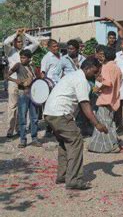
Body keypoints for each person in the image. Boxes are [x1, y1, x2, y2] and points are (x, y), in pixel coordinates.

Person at [44, 58, 108, 190]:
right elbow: (84, 104)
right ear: (88, 68)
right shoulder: (81, 80)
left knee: (65, 142)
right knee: (76, 140)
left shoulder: (72, 75)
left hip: (50, 112)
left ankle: (63, 175)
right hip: (60, 113)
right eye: (95, 72)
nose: (96, 75)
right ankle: (73, 180)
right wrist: (97, 124)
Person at [3, 28, 39, 139]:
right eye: (18, 41)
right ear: (14, 42)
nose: (20, 43)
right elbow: (5, 42)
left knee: (22, 107)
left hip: (26, 83)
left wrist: (25, 34)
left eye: (21, 41)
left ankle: (19, 129)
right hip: (14, 81)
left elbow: (36, 42)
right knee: (12, 106)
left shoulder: (26, 50)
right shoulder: (9, 50)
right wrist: (16, 34)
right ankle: (10, 129)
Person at [88, 47, 122, 153]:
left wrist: (98, 88)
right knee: (110, 123)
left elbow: (107, 83)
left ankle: (112, 145)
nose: (101, 56)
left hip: (105, 99)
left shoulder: (106, 66)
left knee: (104, 124)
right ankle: (111, 144)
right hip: (113, 99)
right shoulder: (116, 67)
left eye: (103, 54)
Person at [7, 49, 41, 148]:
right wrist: (16, 80)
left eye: (24, 57)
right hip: (22, 94)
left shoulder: (33, 67)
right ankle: (23, 140)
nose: (22, 59)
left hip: (33, 94)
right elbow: (7, 75)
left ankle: (34, 138)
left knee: (34, 118)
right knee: (22, 118)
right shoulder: (18, 65)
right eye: (21, 57)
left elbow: (39, 80)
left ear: (29, 58)